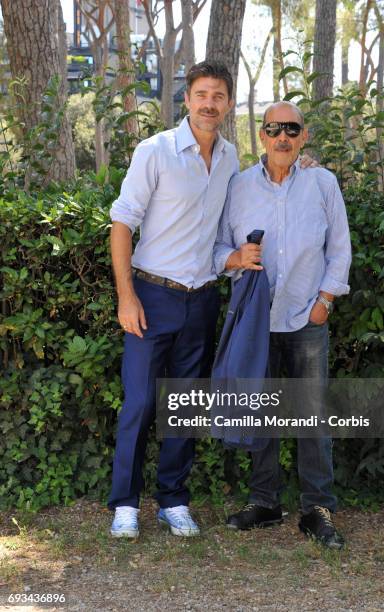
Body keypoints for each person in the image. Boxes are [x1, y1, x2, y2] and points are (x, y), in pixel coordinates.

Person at [214, 101, 352, 549]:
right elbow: (217, 247)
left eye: (292, 129)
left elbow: (340, 248)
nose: (282, 137)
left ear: (303, 137)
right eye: (274, 129)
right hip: (256, 321)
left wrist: (325, 301)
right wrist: (234, 258)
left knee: (312, 416)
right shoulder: (238, 187)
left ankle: (317, 507)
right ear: (262, 136)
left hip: (307, 317)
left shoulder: (322, 182)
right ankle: (265, 502)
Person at [108, 61, 237, 538]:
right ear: (187, 100)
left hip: (201, 300)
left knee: (185, 405)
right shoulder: (156, 150)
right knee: (140, 403)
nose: (209, 103)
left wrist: (233, 259)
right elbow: (122, 224)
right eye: (201, 94)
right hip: (151, 296)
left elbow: (220, 236)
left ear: (227, 103)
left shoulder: (229, 159)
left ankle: (173, 500)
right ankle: (124, 504)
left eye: (218, 96)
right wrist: (127, 296)